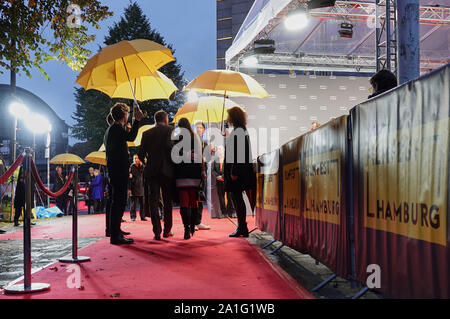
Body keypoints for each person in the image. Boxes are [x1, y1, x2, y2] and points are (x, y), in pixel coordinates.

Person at [104, 102, 144, 245]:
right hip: (118, 171)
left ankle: (115, 230)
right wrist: (138, 120)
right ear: (124, 115)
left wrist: (133, 123)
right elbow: (132, 137)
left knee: (117, 201)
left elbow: (128, 136)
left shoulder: (113, 129)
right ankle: (115, 235)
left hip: (115, 170)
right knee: (118, 202)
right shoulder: (116, 128)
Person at [138, 110, 174, 240]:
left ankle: (157, 231)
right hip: (167, 170)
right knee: (167, 200)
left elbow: (140, 155)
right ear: (165, 119)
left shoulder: (146, 133)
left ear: (155, 120)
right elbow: (172, 148)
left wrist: (148, 162)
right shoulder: (170, 130)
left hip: (151, 171)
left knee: (153, 201)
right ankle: (167, 230)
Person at [224, 107, 256, 238]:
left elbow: (238, 154)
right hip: (239, 171)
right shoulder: (240, 130)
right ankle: (242, 227)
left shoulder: (239, 131)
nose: (227, 119)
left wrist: (234, 172)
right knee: (237, 199)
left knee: (237, 199)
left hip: (237, 173)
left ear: (233, 117)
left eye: (229, 116)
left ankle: (242, 227)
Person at [173, 118, 205, 239]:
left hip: (181, 173)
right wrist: (202, 170)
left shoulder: (176, 138)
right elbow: (200, 155)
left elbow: (174, 155)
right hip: (194, 172)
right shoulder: (195, 137)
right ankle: (192, 226)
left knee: (184, 202)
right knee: (194, 202)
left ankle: (186, 228)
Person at [194, 122, 211, 231]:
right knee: (194, 197)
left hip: (203, 171)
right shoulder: (192, 141)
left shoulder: (205, 142)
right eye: (197, 127)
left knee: (201, 196)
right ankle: (193, 222)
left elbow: (208, 159)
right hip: (195, 171)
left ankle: (198, 221)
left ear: (204, 130)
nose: (199, 129)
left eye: (201, 127)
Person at [129, 154, 146, 221]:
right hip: (134, 187)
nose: (136, 159)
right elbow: (129, 178)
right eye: (135, 158)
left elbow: (144, 173)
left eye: (137, 158)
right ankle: (133, 216)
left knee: (142, 203)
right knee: (133, 204)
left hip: (141, 186)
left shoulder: (142, 166)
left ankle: (142, 216)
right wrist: (129, 188)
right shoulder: (131, 166)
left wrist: (142, 165)